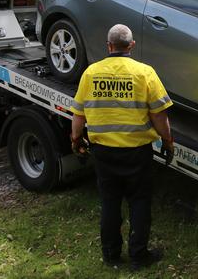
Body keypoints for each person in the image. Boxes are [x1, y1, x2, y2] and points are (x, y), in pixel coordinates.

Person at [70, 24, 174, 270]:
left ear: (109, 46)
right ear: (131, 46)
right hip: (137, 153)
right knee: (139, 202)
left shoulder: (91, 73)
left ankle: (111, 256)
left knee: (110, 203)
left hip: (103, 153)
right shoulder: (145, 73)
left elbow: (78, 114)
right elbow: (160, 116)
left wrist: (75, 139)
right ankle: (139, 256)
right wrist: (168, 141)